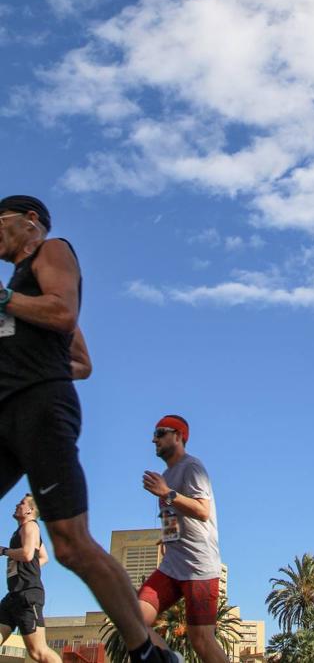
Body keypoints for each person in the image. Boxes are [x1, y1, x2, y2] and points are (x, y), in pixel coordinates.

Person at [0, 195, 180, 663]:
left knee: (71, 545)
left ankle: (148, 652)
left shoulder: (52, 252)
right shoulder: (17, 291)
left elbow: (64, 317)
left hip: (42, 408)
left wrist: (8, 306)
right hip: (6, 412)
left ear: (29, 221)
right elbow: (76, 357)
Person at [138, 415, 228, 663]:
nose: (153, 439)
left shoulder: (192, 467)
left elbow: (202, 510)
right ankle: (169, 659)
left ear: (178, 436)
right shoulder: (165, 476)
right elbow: (170, 517)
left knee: (201, 640)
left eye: (160, 433)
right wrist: (167, 541)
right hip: (172, 567)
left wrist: (167, 493)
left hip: (199, 567)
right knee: (133, 619)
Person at [0, 494, 60, 663]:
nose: (17, 505)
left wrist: (3, 551)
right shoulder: (23, 530)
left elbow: (27, 554)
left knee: (38, 652)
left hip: (27, 596)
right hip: (13, 596)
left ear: (30, 511)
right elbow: (44, 557)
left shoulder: (30, 527)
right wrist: (30, 570)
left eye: (22, 503)